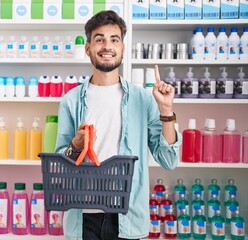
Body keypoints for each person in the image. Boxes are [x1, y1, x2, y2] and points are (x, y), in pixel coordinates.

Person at [55, 10, 182, 240]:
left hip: (127, 217)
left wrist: (166, 111)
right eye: (99, 39)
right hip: (83, 217)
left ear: (123, 48)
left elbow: (169, 159)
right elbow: (60, 167)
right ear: (88, 48)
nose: (107, 46)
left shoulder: (143, 99)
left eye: (114, 39)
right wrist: (75, 145)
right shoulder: (70, 101)